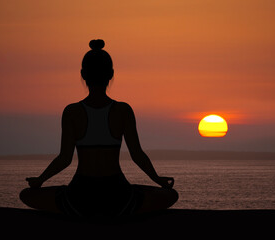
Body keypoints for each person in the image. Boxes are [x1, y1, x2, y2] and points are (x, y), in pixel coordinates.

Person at [19, 39, 178, 219]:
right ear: (111, 74)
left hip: (80, 195)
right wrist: (157, 180)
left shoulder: (72, 112)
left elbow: (64, 159)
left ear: (83, 74)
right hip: (118, 194)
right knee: (170, 195)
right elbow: (137, 155)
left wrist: (40, 181)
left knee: (26, 195)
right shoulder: (123, 111)